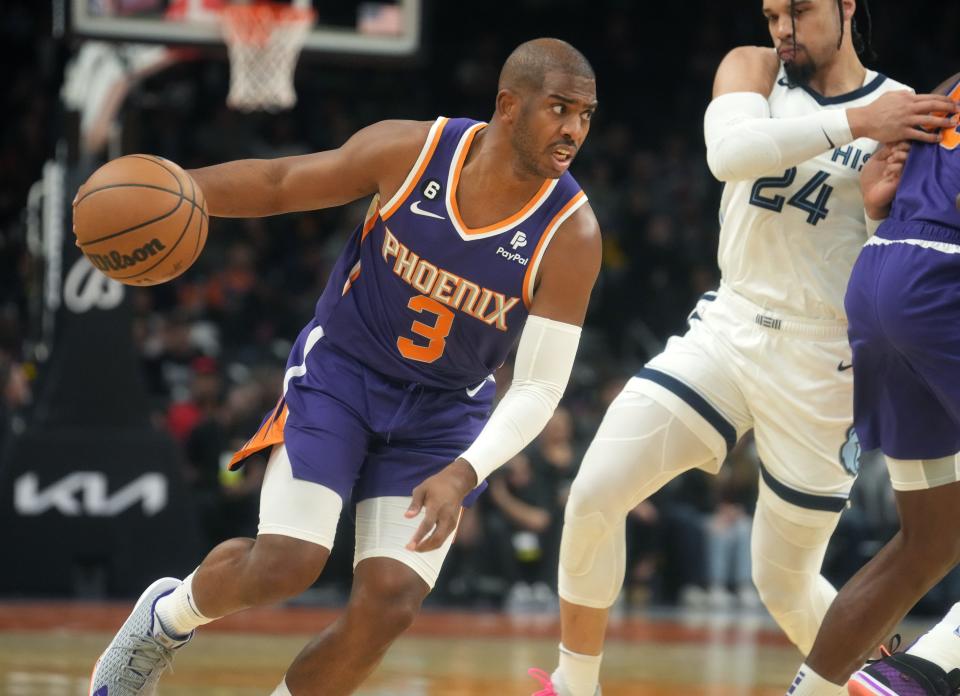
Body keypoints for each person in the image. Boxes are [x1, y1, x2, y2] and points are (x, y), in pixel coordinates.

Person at [87, 37, 601, 696]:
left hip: (444, 415)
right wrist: (181, 189)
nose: (573, 130)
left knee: (388, 604)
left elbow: (538, 386)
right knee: (288, 561)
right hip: (343, 376)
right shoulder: (412, 152)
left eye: (585, 115)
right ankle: (165, 620)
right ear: (508, 105)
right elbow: (280, 183)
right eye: (559, 109)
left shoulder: (572, 233)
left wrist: (464, 472)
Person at [528, 2, 960, 695]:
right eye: (772, 13)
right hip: (730, 326)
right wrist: (856, 124)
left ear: (847, 6)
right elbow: (729, 156)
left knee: (782, 582)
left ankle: (874, 685)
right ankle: (575, 683)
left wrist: (879, 206)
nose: (783, 28)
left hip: (823, 364)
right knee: (594, 491)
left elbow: (896, 252)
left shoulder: (902, 106)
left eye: (800, 10)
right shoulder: (753, 68)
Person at [786, 72, 960, 696]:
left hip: (883, 267)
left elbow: (891, 176)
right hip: (944, 280)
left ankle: (812, 691)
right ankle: (919, 671)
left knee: (930, 539)